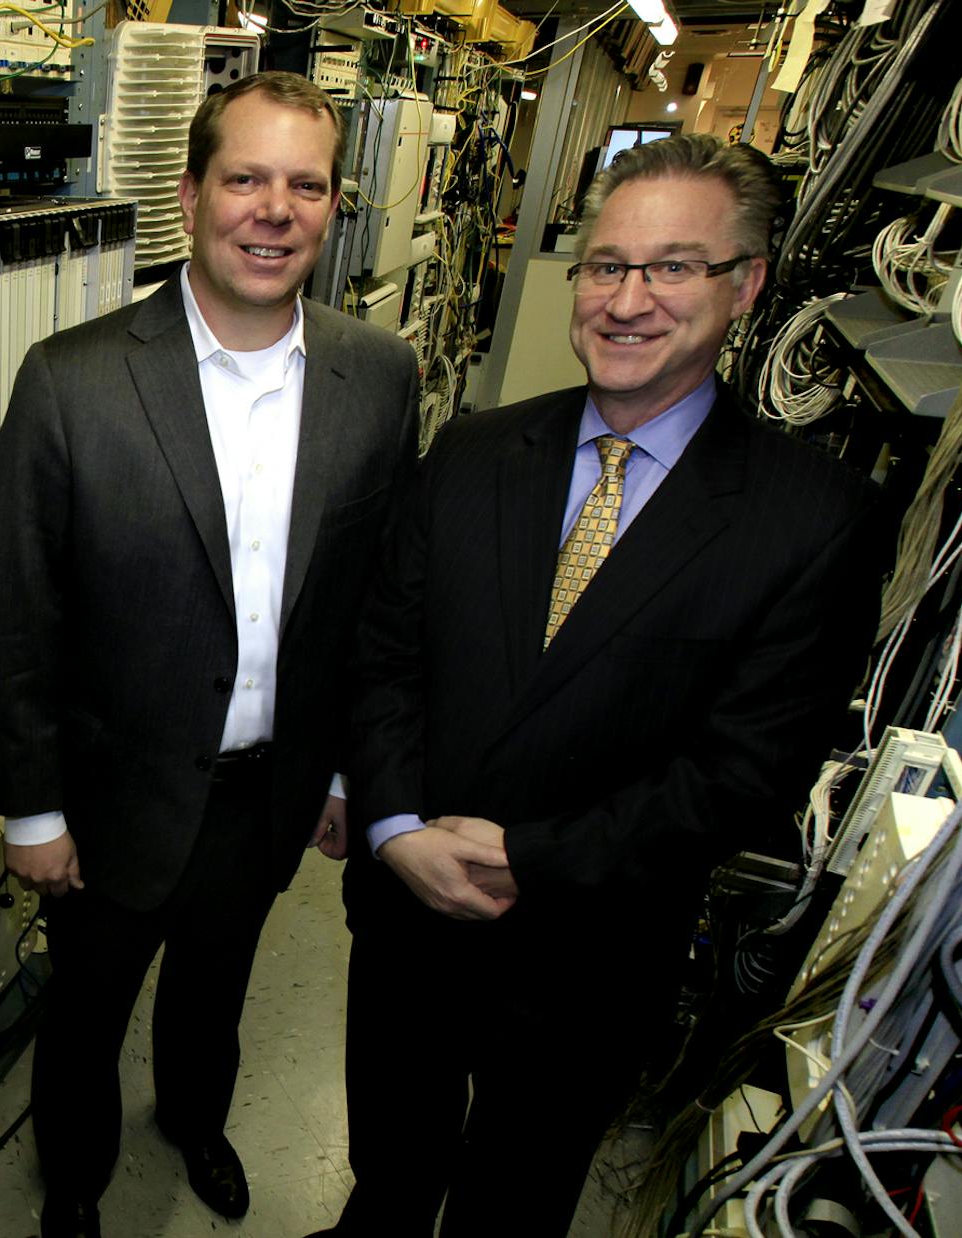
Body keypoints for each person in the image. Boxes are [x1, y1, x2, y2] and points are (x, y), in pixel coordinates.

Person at [315, 133, 887, 1237]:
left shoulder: (812, 520)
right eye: (606, 266)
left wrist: (528, 856)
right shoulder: (476, 451)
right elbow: (384, 654)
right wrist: (391, 825)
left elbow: (747, 773)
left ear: (747, 284)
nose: (629, 299)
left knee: (515, 1197)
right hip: (407, 922)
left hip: (589, 953)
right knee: (389, 1161)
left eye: (673, 266)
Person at [0, 71, 421, 1238]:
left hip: (270, 788)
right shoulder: (73, 380)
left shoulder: (378, 376)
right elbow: (19, 616)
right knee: (85, 1008)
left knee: (215, 991)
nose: (274, 209)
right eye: (246, 178)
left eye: (305, 184)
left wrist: (341, 774)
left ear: (332, 207)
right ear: (191, 196)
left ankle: (195, 1119)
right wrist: (32, 812)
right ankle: (73, 1177)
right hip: (112, 792)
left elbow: (376, 607)